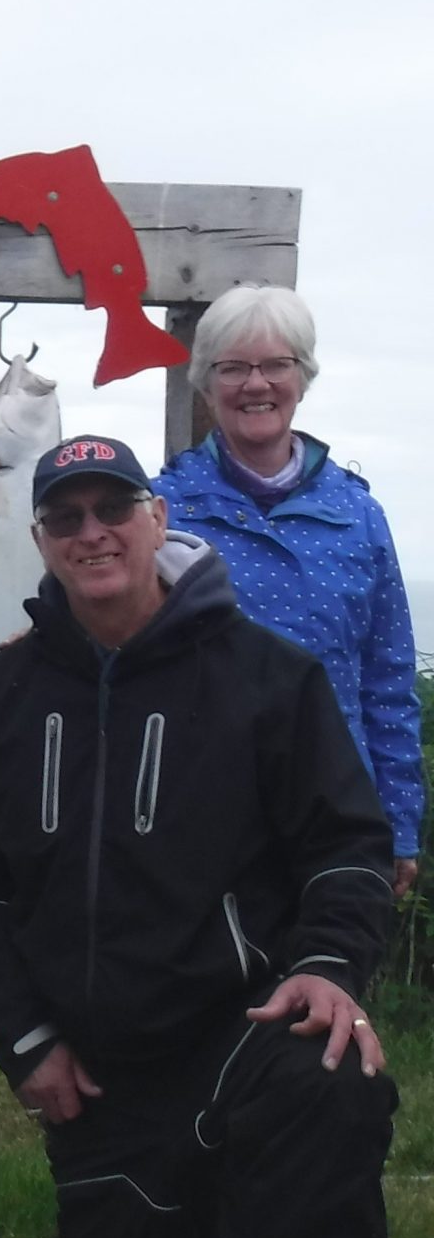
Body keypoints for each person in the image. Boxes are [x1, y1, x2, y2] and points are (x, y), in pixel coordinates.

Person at [0, 435, 395, 1238]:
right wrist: (26, 1040)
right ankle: (221, 1233)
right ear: (43, 542)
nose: (91, 533)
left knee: (332, 1072)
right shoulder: (4, 696)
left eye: (112, 509)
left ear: (156, 519)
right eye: (66, 518)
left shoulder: (268, 676)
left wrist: (328, 963)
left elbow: (348, 848)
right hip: (101, 1070)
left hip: (243, 1029)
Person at [154, 286, 421, 896]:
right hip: (191, 809)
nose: (257, 384)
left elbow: (388, 681)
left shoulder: (360, 516)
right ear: (205, 382)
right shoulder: (160, 510)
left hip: (335, 809)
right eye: (234, 367)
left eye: (277, 364)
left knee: (321, 979)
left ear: (303, 378)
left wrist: (399, 824)